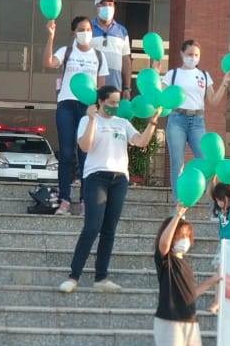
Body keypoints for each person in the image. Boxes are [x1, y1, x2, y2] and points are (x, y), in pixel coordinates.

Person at [59, 85, 161, 294]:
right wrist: (92, 120)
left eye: (117, 102)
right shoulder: (87, 120)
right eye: (112, 102)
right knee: (92, 227)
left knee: (109, 230)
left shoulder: (122, 123)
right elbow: (85, 146)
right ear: (101, 101)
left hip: (119, 179)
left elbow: (141, 141)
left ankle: (101, 277)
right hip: (96, 177)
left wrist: (152, 122)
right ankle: (73, 276)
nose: (115, 106)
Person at [154, 208, 221, 346]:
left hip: (190, 322)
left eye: (186, 236)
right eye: (180, 236)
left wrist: (212, 282)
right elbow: (164, 245)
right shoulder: (167, 261)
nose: (184, 240)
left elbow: (190, 294)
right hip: (169, 322)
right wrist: (177, 216)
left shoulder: (185, 265)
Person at [44, 15, 109, 215]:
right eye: (81, 30)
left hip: (87, 109)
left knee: (85, 155)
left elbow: (101, 87)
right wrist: (50, 36)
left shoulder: (99, 56)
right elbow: (48, 62)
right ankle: (64, 199)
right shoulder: (67, 51)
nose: (85, 33)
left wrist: (99, 111)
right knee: (66, 154)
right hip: (66, 105)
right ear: (74, 32)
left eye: (88, 29)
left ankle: (84, 200)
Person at [159, 39, 230, 202]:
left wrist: (225, 82)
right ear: (182, 54)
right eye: (189, 54)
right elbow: (162, 98)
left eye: (196, 55)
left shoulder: (204, 75)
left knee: (208, 161)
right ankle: (179, 204)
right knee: (177, 163)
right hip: (177, 119)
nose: (193, 58)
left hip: (197, 121)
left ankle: (213, 204)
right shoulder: (172, 74)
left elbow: (213, 100)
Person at [91, 0, 132, 99]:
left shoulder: (122, 31)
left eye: (110, 4)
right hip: (92, 87)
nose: (108, 7)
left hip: (115, 88)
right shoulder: (88, 28)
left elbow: (126, 60)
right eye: (104, 5)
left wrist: (127, 88)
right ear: (97, 7)